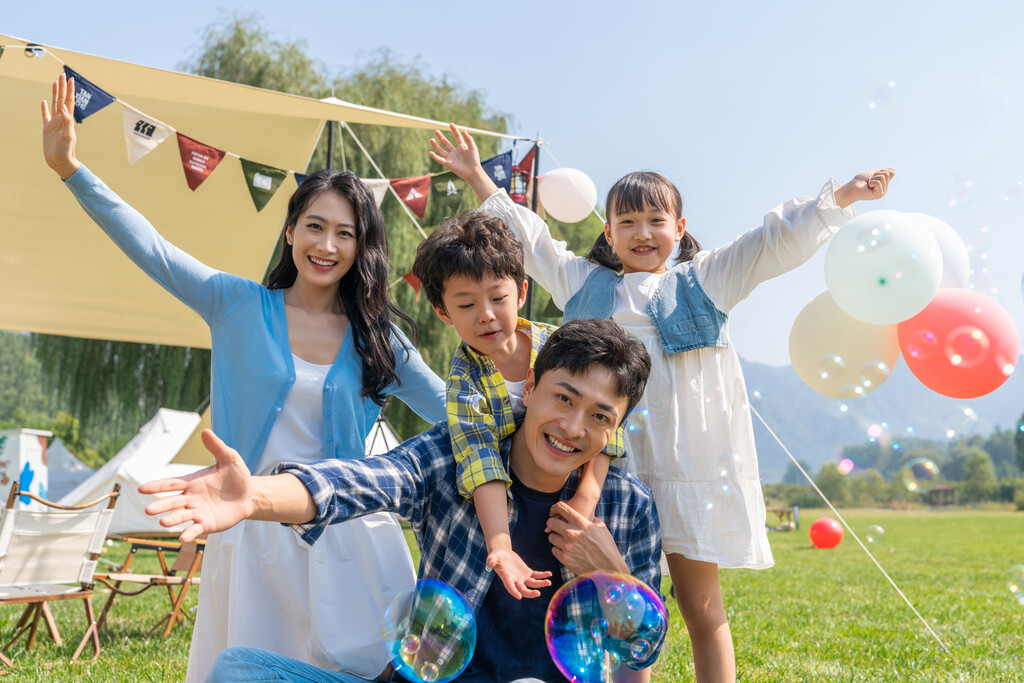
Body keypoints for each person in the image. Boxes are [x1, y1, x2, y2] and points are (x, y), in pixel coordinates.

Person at [429, 124, 895, 682]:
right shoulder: (584, 283)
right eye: (626, 221)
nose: (642, 232)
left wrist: (840, 198)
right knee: (619, 604)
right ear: (608, 231)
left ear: (680, 228)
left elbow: (768, 243)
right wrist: (480, 176)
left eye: (655, 220)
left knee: (702, 608)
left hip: (691, 471)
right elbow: (531, 241)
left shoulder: (707, 279)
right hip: (606, 475)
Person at [41, 73, 446, 682]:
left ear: (363, 248)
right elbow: (152, 248)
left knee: (355, 669)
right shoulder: (235, 304)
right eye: (315, 225)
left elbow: (451, 410)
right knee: (249, 668)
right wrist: (72, 168)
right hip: (250, 529)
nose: (327, 244)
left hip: (349, 537)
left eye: (345, 233)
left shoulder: (379, 337)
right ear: (290, 232)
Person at [142, 318, 662, 683]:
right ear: (530, 386)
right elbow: (362, 481)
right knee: (241, 671)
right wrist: (253, 494)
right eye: (563, 398)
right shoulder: (458, 456)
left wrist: (614, 574)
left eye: (599, 416)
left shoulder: (626, 509)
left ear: (615, 429)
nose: (572, 428)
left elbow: (641, 658)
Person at [409, 211, 626, 601]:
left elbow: (608, 423)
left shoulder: (560, 349)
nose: (487, 315)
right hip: (511, 499)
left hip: (576, 481)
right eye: (466, 305)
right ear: (443, 312)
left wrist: (586, 498)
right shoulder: (464, 384)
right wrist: (500, 545)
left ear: (522, 292)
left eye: (498, 297)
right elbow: (479, 458)